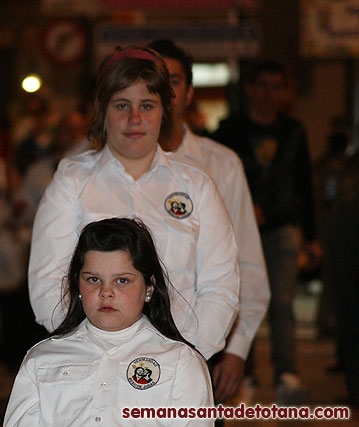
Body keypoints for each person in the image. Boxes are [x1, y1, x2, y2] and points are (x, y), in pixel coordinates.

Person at [28, 46, 240, 360]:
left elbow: (220, 284)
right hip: (92, 362)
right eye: (122, 105)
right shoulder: (71, 182)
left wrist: (186, 353)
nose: (135, 119)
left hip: (179, 360)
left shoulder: (197, 186)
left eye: (148, 105)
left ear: (165, 111)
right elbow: (48, 284)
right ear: (103, 111)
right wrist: (87, 350)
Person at [147, 39, 270, 404]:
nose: (166, 92)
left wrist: (237, 347)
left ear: (189, 93)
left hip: (204, 338)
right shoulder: (104, 166)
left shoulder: (220, 164)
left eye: (175, 81)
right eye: (155, 80)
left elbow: (245, 259)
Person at [5, 218, 214, 426]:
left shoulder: (180, 362)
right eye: (93, 280)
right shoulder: (41, 359)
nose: (106, 293)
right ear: (77, 286)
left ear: (149, 289)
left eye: (122, 281)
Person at [213, 61, 322, 404]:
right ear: (249, 89)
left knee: (281, 303)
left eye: (276, 86)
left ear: (285, 93)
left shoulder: (293, 130)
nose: (269, 93)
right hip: (238, 229)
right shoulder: (229, 131)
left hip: (282, 229)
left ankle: (286, 373)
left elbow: (305, 185)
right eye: (263, 85)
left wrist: (313, 236)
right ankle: (243, 374)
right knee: (239, 303)